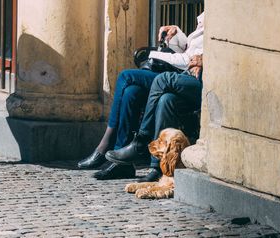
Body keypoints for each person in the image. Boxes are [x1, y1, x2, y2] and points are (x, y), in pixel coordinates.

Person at [77, 12, 204, 180]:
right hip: (183, 74)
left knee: (127, 77)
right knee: (133, 92)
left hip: (190, 77)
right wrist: (177, 35)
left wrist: (154, 54)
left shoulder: (221, 15)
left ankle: (113, 144)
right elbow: (190, 49)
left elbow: (190, 60)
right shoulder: (207, 13)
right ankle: (123, 165)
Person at [104, 55, 203, 180]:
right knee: (165, 100)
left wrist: (204, 59)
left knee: (160, 79)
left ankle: (141, 141)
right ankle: (158, 166)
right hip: (189, 74)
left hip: (206, 81)